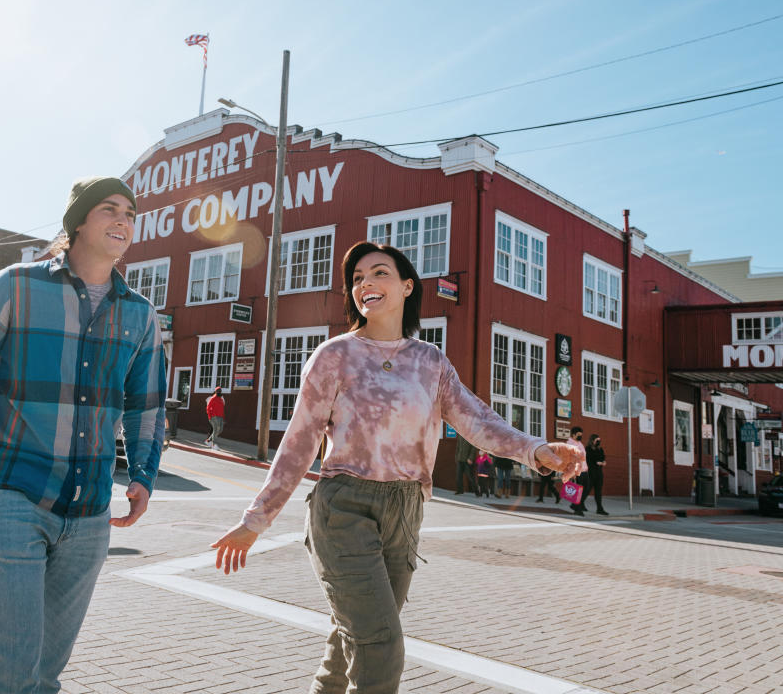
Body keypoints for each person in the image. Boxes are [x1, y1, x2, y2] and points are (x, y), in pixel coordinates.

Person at [211, 241, 584, 694]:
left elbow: (479, 421)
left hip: (405, 513)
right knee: (381, 646)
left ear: (407, 286)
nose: (365, 283)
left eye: (379, 272)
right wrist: (256, 520)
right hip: (344, 507)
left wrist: (537, 450)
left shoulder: (430, 362)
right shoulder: (334, 356)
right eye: (357, 278)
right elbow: (299, 443)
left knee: (349, 641)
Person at [0, 176, 166, 693]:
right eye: (110, 209)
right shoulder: (16, 286)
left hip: (90, 512)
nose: (123, 220)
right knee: (11, 674)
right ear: (77, 222)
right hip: (11, 494)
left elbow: (146, 407)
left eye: (131, 213)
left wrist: (143, 475)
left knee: (46, 674)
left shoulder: (140, 314)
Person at [582, 433, 608, 515]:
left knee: (598, 491)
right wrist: (597, 462)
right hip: (590, 473)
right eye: (597, 440)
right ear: (592, 440)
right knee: (587, 490)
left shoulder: (600, 449)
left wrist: (603, 462)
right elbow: (588, 460)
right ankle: (580, 504)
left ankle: (599, 509)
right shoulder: (588, 449)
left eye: (599, 440)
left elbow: (603, 457)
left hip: (599, 473)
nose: (599, 442)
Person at [567, 426, 588, 515]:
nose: (580, 437)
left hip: (584, 470)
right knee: (578, 491)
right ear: (573, 434)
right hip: (577, 471)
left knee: (586, 489)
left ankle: (575, 505)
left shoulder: (580, 444)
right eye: (579, 435)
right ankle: (577, 510)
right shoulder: (569, 444)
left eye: (581, 435)